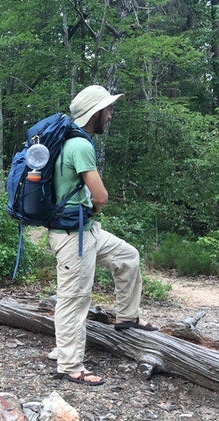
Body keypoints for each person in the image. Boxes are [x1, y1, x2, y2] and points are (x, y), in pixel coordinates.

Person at [49, 85, 156, 386]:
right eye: (107, 109)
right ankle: (69, 364)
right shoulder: (79, 145)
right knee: (74, 299)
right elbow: (102, 196)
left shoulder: (69, 139)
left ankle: (127, 316)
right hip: (73, 237)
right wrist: (94, 209)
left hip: (85, 230)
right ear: (95, 113)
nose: (110, 114)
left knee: (128, 256)